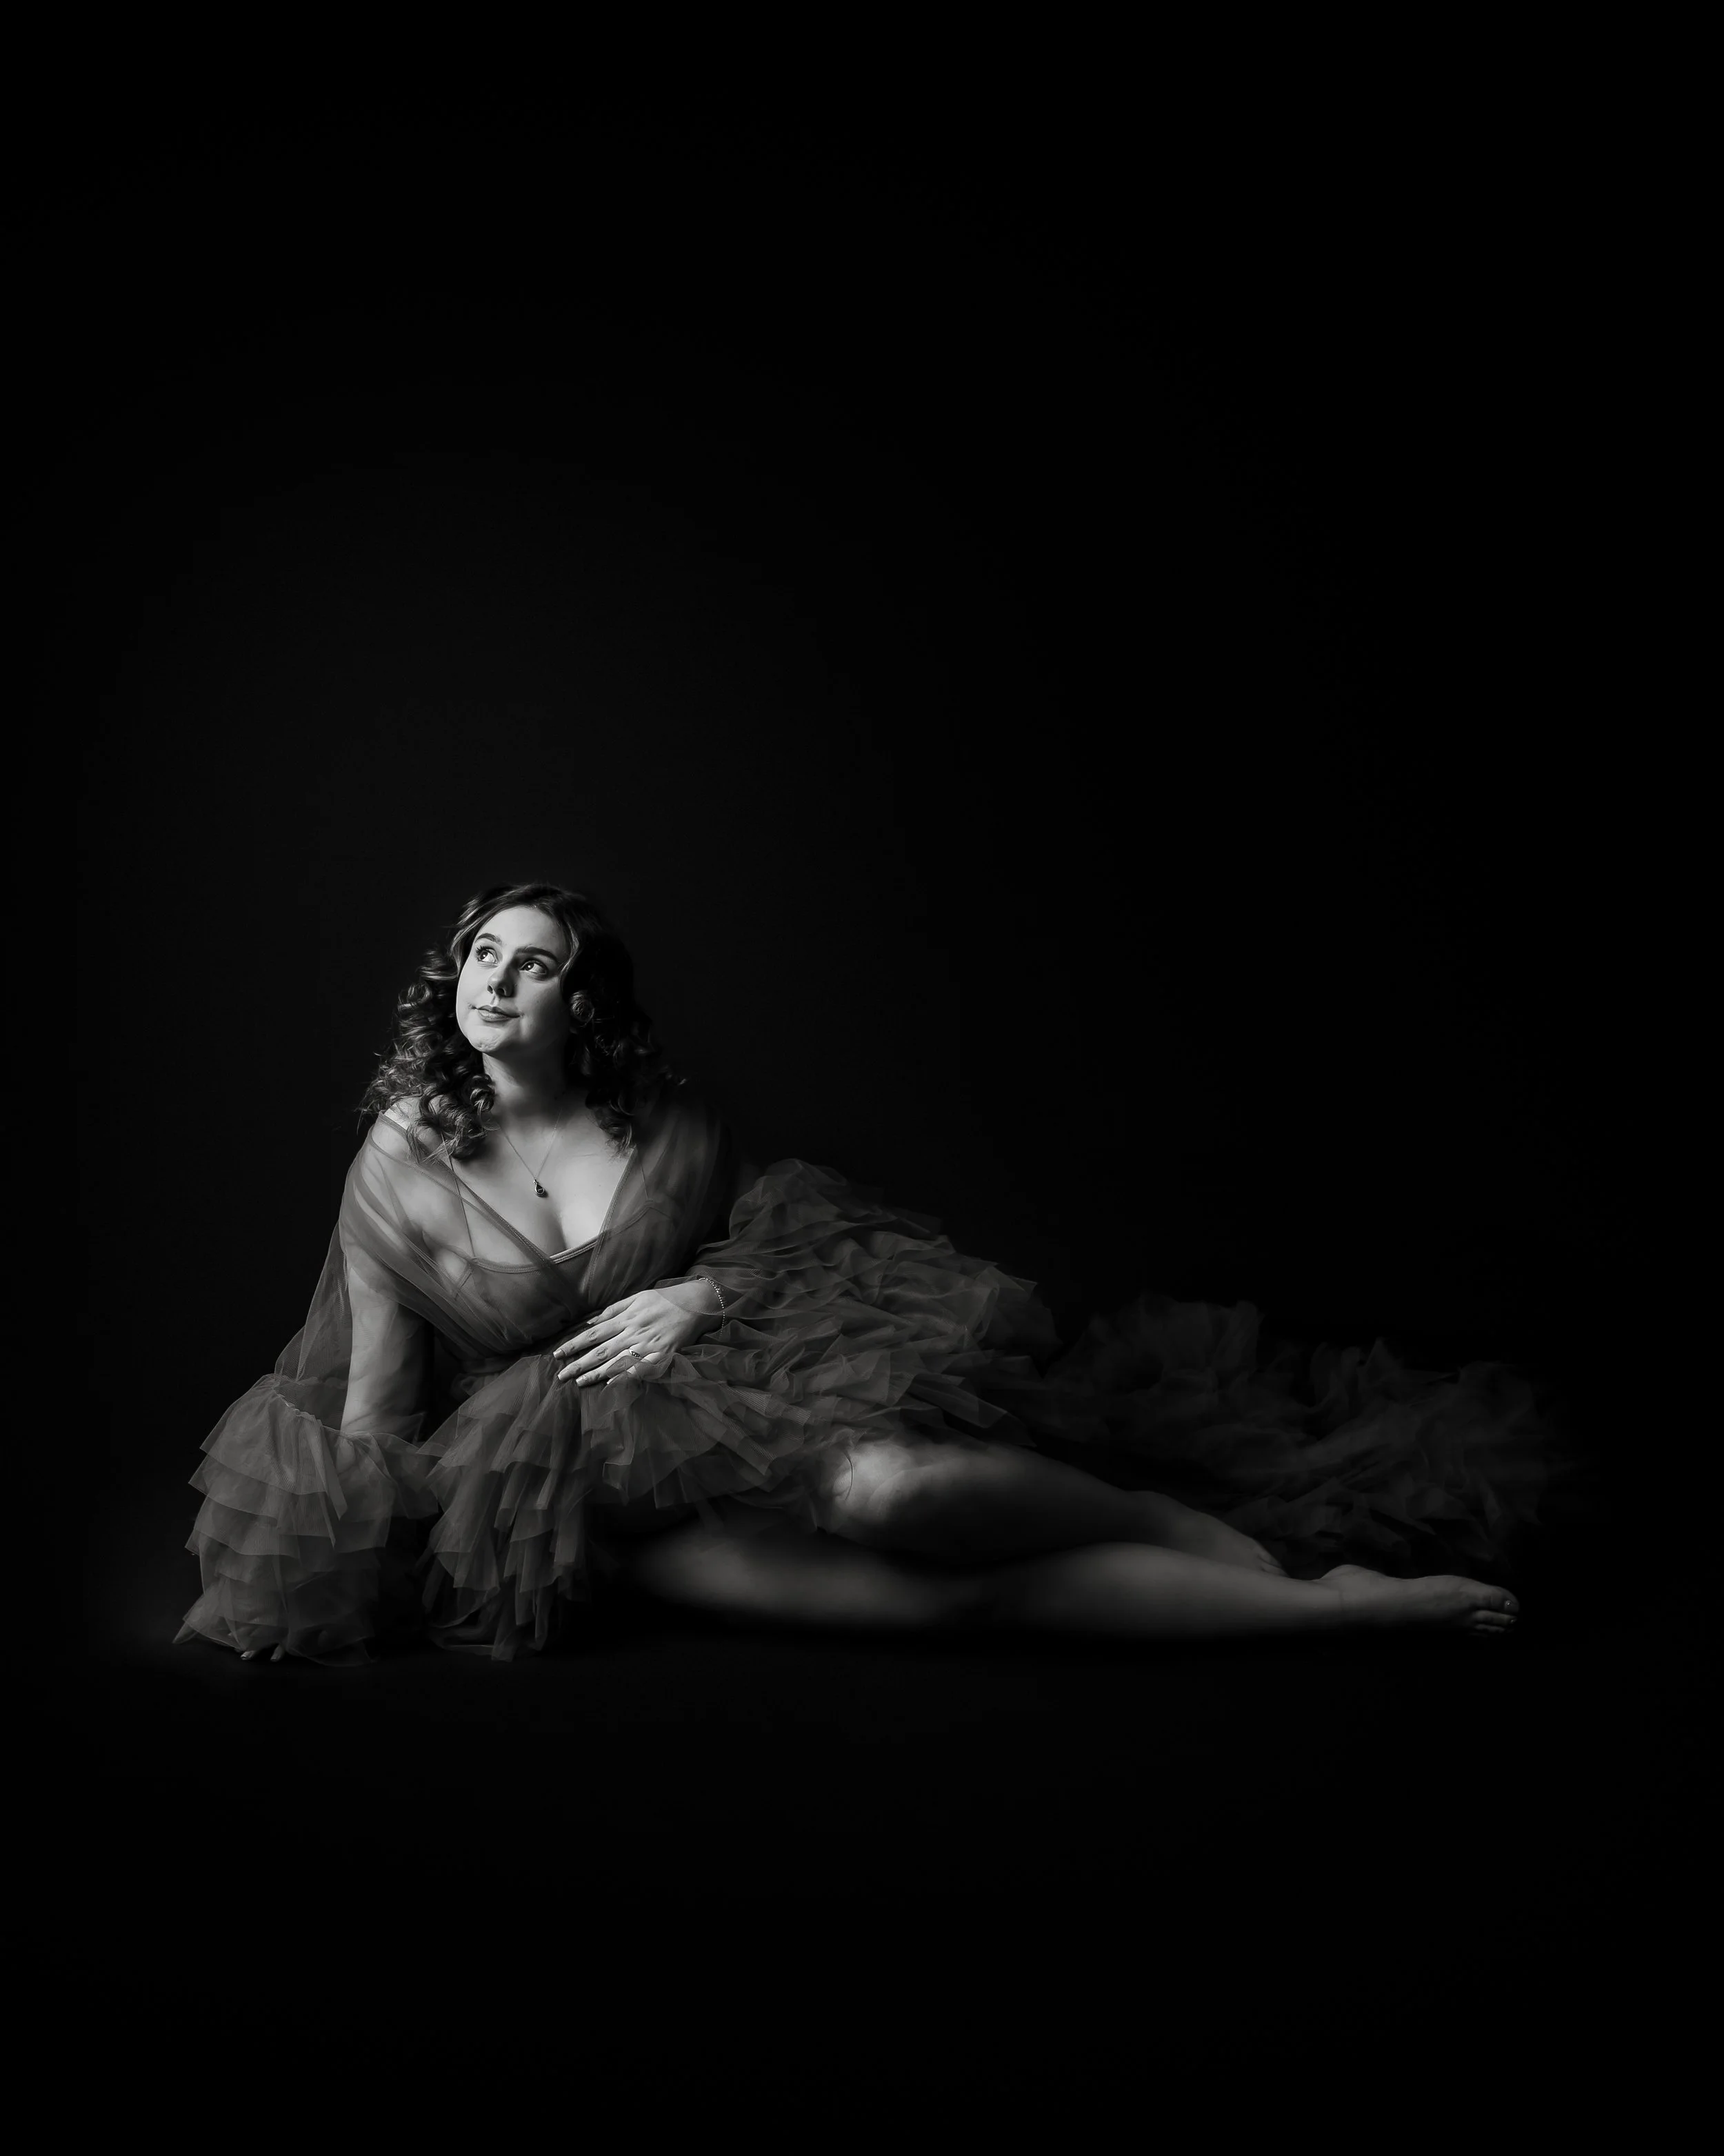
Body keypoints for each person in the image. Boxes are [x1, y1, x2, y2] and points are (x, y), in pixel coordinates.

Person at [177, 881, 1551, 1666]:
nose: (494, 979)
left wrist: (700, 1294)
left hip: (723, 1397)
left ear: (578, 1004)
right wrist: (380, 1540)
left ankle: (1257, 1567)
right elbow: (375, 1392)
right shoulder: (397, 1160)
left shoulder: (671, 1124)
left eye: (532, 966)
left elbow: (765, 1248)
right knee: (950, 1606)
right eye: (482, 953)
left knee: (907, 1494)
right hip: (566, 1493)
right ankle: (1313, 1622)